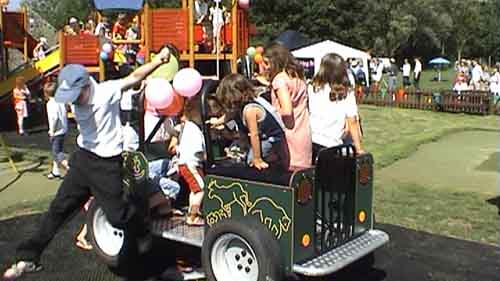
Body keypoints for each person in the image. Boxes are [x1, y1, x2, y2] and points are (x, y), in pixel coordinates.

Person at [4, 47, 172, 279]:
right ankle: (28, 257)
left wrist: (158, 60)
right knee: (58, 208)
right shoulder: (74, 97)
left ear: (85, 86)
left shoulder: (106, 92)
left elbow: (135, 76)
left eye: (75, 93)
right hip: (83, 160)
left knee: (119, 217)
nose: (71, 100)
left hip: (106, 165)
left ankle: (147, 236)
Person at [215, 73, 288, 171]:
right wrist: (217, 122)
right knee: (237, 152)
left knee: (251, 160)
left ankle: (267, 165)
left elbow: (254, 135)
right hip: (260, 138)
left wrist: (256, 158)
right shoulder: (239, 107)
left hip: (271, 139)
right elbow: (229, 115)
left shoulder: (250, 110)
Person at [262, 43, 312, 171]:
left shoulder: (279, 80)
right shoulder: (298, 77)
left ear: (276, 62)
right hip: (303, 131)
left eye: (267, 63)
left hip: (288, 136)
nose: (265, 67)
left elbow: (286, 111)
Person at [308, 53, 364, 161]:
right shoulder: (345, 92)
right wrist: (359, 148)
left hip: (311, 141)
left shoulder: (312, 87)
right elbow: (352, 121)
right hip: (331, 145)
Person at [176, 96, 206, 226]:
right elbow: (198, 149)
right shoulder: (194, 129)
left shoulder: (186, 127)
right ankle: (193, 216)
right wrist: (206, 156)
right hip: (191, 163)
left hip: (185, 163)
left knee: (194, 190)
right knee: (201, 189)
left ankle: (191, 213)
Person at [44, 80, 69, 179]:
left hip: (57, 131)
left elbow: (54, 118)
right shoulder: (61, 101)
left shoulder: (50, 104)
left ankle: (70, 168)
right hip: (63, 129)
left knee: (57, 153)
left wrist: (52, 131)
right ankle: (55, 171)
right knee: (58, 150)